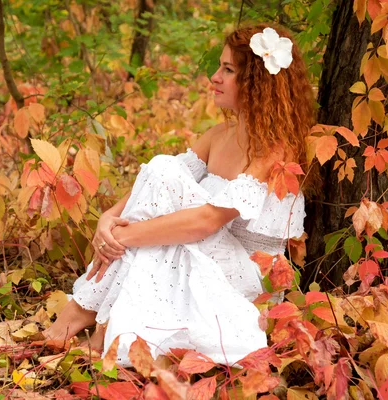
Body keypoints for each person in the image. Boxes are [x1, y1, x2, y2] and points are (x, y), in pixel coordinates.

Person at [44, 24, 315, 367]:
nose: (214, 77)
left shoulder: (277, 149)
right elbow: (153, 183)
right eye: (219, 67)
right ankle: (99, 322)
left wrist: (123, 238)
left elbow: (205, 221)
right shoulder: (219, 135)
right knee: (163, 172)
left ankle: (87, 311)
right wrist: (108, 220)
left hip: (248, 271)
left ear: (256, 82)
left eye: (228, 70)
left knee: (163, 228)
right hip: (204, 251)